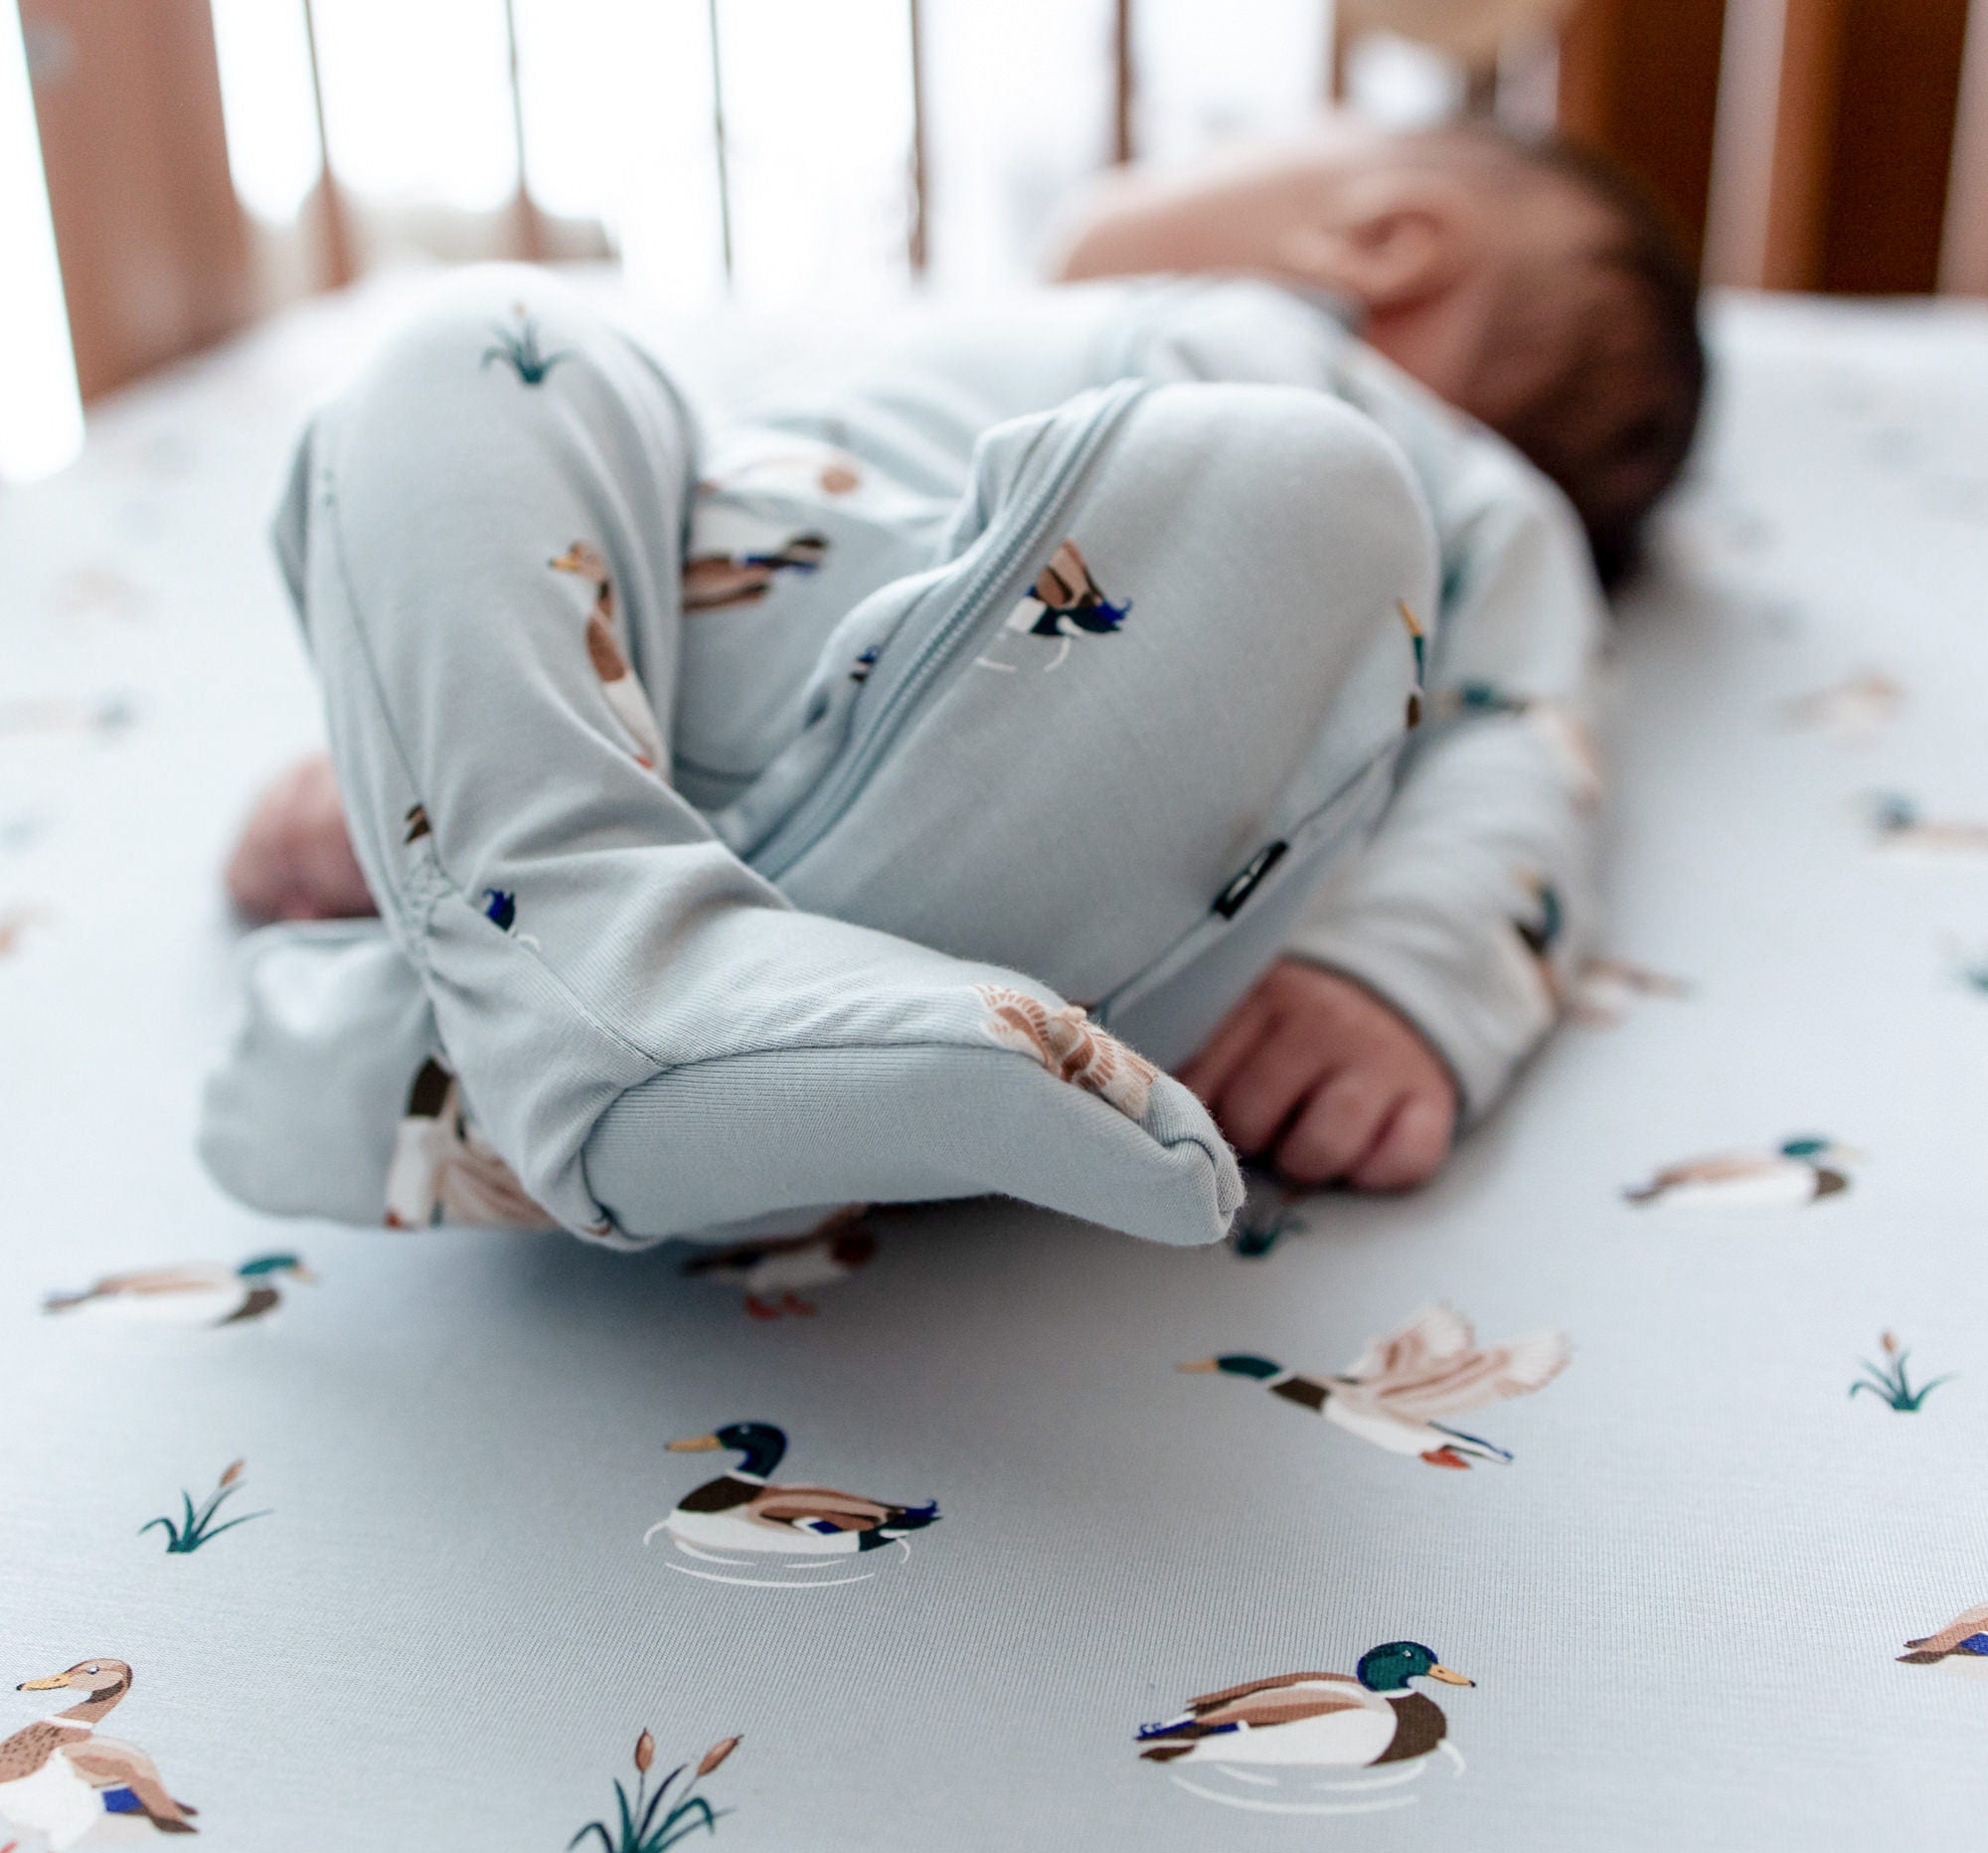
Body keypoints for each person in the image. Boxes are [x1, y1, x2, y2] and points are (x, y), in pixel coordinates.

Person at [206, 118, 1704, 1250]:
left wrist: (1394, 981)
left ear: (1385, 237)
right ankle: (558, 935)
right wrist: (403, 732)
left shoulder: (1458, 482)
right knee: (498, 349)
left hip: (1035, 802)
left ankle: (582, 1038)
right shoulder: (920, 351)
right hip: (644, 707)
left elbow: (1526, 745)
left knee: (1308, 500)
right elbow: (569, 539)